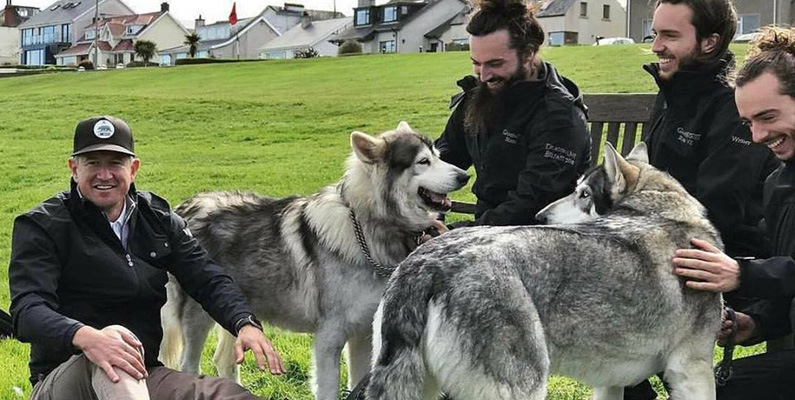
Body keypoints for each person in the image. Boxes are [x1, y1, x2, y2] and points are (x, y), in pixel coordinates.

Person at [8, 116, 286, 400]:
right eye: (93, 163)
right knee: (115, 342)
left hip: (143, 373)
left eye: (115, 163)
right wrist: (88, 337)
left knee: (228, 395)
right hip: (65, 378)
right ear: (74, 168)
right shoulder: (42, 225)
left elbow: (207, 278)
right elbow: (28, 312)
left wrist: (245, 323)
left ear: (134, 169)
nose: (104, 175)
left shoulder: (157, 218)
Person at [627, 0, 778, 398]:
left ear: (709, 42)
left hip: (726, 256)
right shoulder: (674, 91)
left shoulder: (734, 106)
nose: (656, 45)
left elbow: (719, 212)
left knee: (613, 298)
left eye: (670, 36)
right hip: (670, 246)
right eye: (655, 33)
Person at [670, 26, 795, 399]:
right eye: (749, 123)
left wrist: (742, 273)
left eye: (768, 117)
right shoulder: (779, 184)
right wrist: (754, 323)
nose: (757, 136)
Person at [434, 0, 591, 228]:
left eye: (495, 64)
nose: (484, 75)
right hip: (487, 230)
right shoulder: (480, 95)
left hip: (539, 237)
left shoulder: (559, 117)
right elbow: (442, 160)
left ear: (528, 54)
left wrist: (455, 233)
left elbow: (531, 205)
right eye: (476, 64)